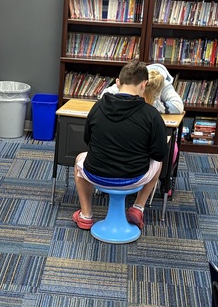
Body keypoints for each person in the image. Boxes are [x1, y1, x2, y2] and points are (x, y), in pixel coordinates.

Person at [74, 60, 167, 232]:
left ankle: (86, 216)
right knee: (158, 163)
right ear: (144, 85)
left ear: (118, 83)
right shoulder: (151, 115)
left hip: (96, 175)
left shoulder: (98, 106)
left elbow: (88, 139)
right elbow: (159, 153)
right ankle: (138, 207)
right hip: (133, 178)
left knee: (80, 158)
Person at [101, 62, 184, 114]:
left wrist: (153, 105)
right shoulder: (132, 80)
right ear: (142, 86)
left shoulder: (164, 84)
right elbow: (104, 96)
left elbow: (178, 106)